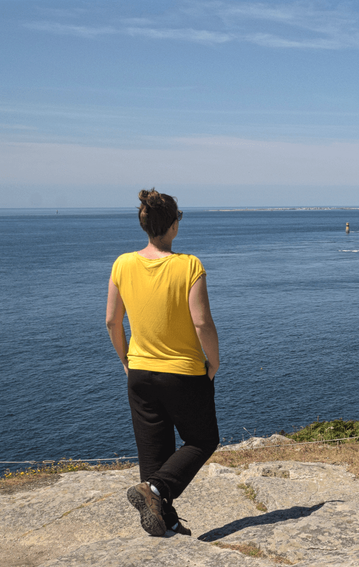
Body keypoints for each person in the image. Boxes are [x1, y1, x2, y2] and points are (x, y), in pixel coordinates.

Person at [106, 189, 220, 537]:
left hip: (139, 373)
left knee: (154, 453)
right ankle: (154, 492)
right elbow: (201, 323)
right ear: (173, 226)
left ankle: (164, 522)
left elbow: (112, 321)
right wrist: (213, 363)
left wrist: (125, 359)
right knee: (202, 440)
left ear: (144, 225)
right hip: (183, 373)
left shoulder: (123, 264)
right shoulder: (188, 265)